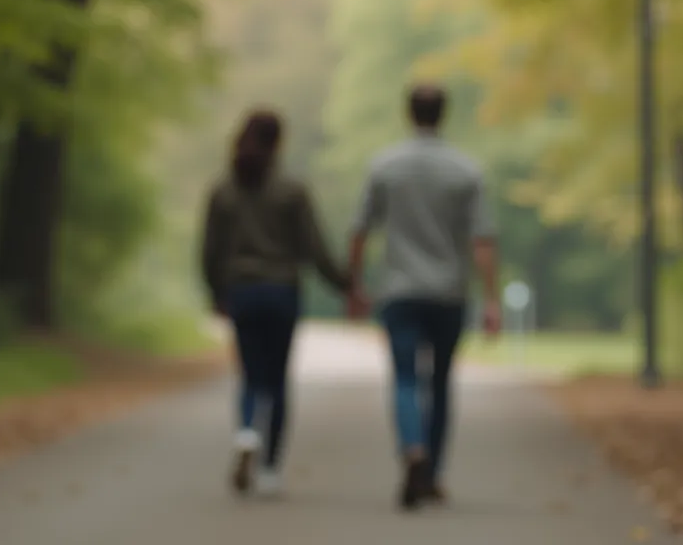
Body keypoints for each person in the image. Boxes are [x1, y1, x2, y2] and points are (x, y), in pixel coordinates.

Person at [347, 83, 502, 511]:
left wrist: (355, 284)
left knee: (404, 378)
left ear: (409, 112)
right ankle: (432, 473)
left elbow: (360, 230)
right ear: (444, 114)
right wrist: (491, 299)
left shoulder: (384, 166)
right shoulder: (466, 170)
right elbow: (483, 239)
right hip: (449, 292)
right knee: (440, 382)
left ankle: (412, 447)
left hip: (399, 290)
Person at [200, 109, 354, 499]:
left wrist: (215, 292)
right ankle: (270, 467)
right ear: (278, 143)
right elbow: (314, 246)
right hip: (282, 291)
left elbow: (209, 250)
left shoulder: (223, 191)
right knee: (278, 379)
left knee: (250, 374)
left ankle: (247, 431)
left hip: (242, 291)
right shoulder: (291, 191)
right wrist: (344, 284)